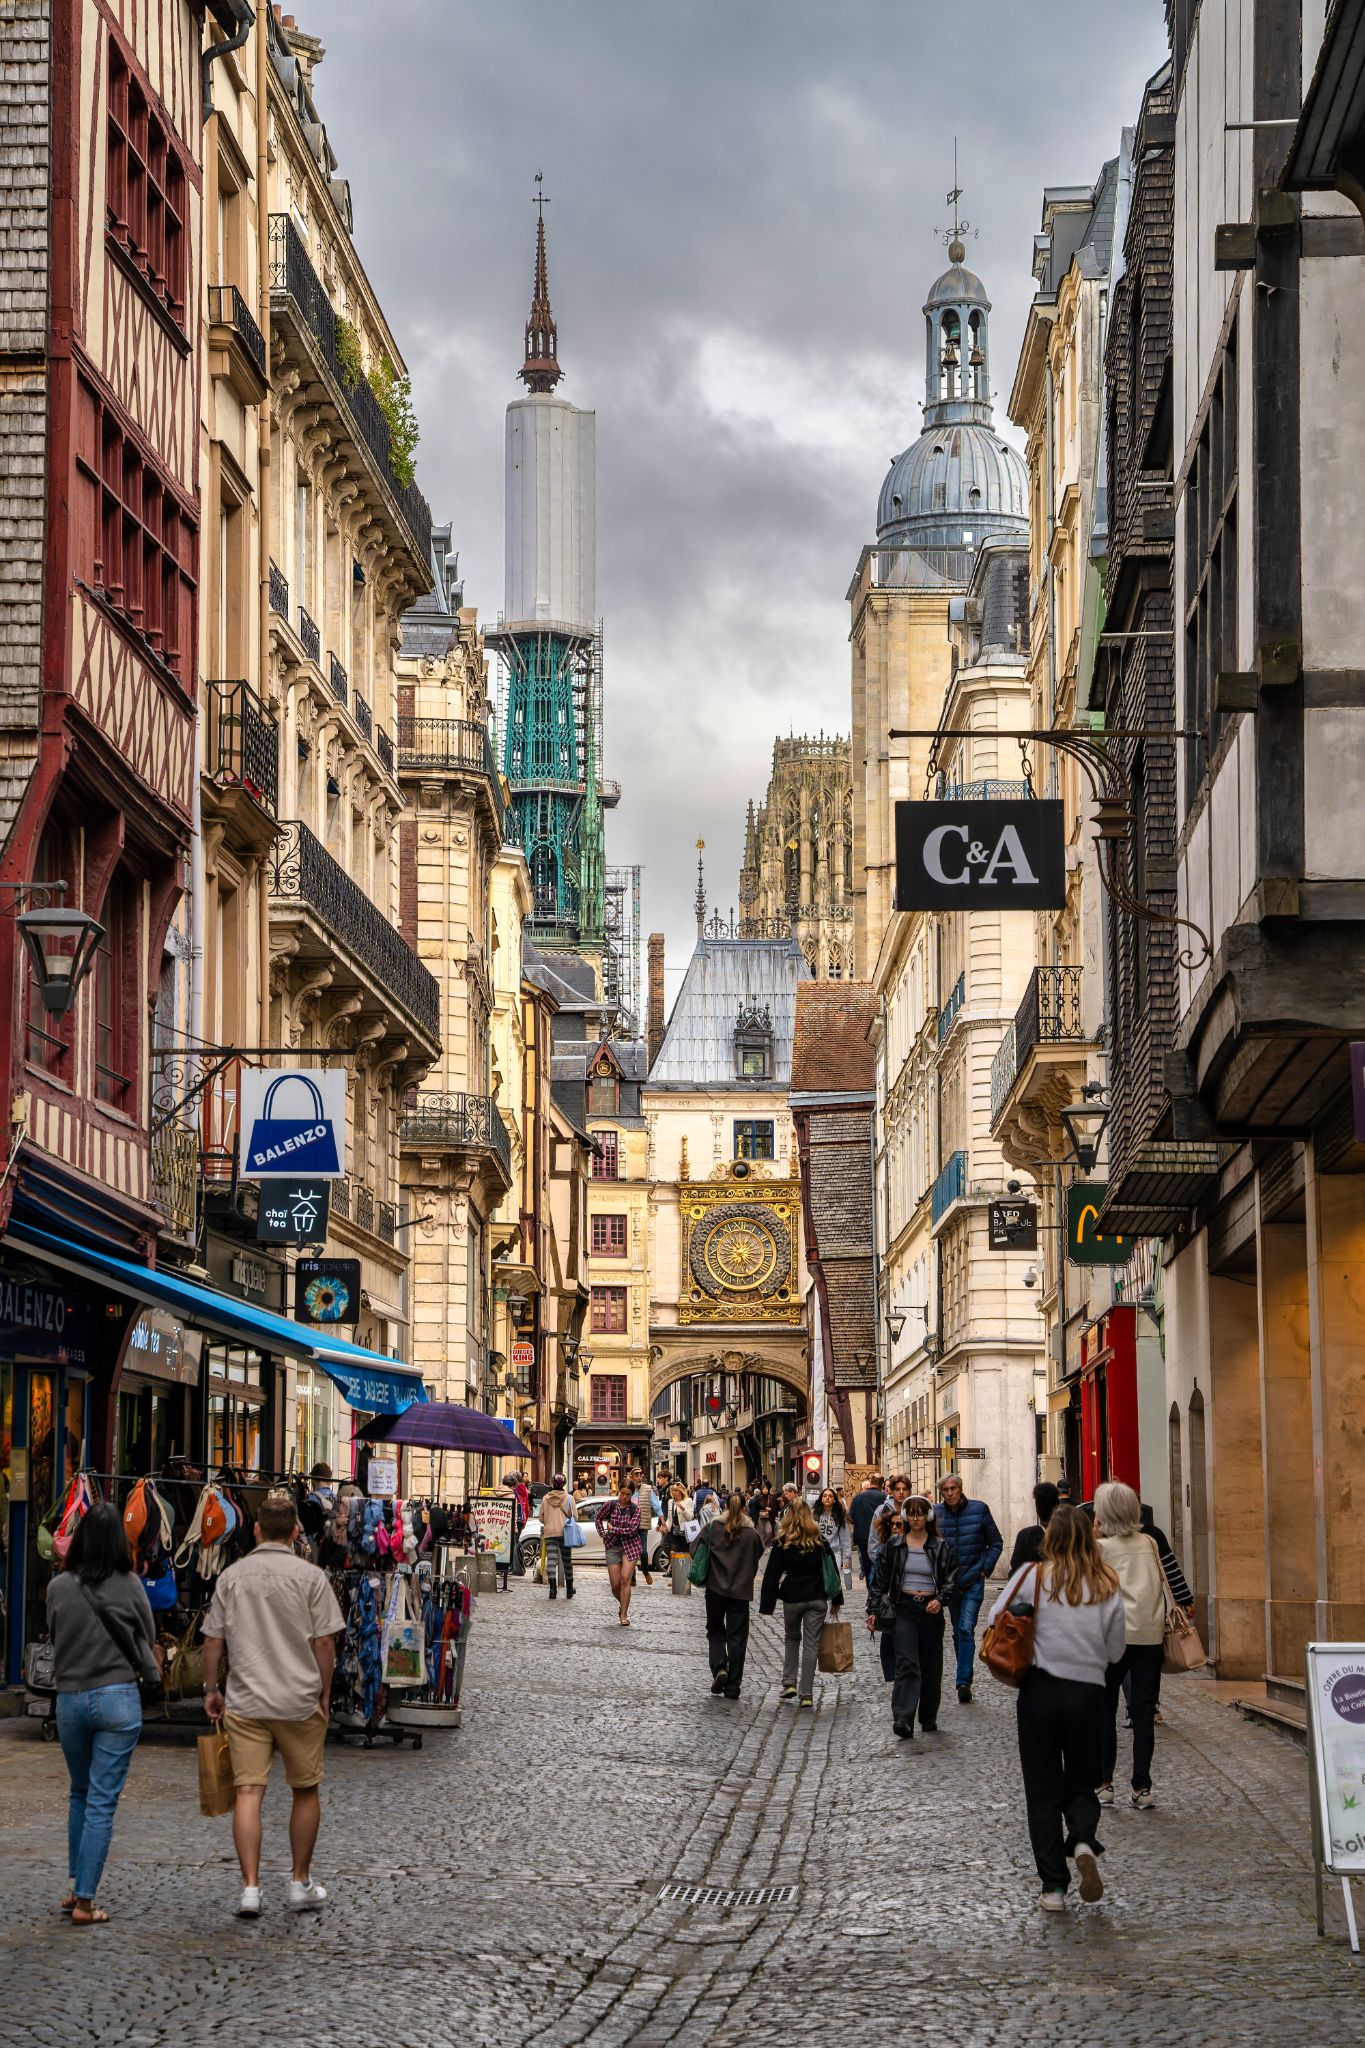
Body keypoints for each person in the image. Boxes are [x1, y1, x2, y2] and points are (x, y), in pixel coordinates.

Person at [203, 1486, 344, 1918]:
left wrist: (211, 1689)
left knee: (248, 1791)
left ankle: (250, 1888)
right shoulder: (312, 1578)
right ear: (296, 1531)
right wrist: (324, 1693)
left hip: (247, 1700)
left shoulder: (232, 1577)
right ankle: (300, 1882)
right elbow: (325, 1643)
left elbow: (213, 1640)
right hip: (299, 1700)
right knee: (305, 1789)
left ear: (256, 1530)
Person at [989, 1505, 1125, 1912]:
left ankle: (1053, 1887)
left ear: (1051, 1537)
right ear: (1089, 1537)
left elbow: (996, 1617)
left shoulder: (1033, 1576)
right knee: (1083, 1780)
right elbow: (1116, 1649)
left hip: (1041, 1691)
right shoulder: (1106, 1582)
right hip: (1088, 1693)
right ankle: (1082, 1838)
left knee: (1042, 1789)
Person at [46, 1503, 162, 1925]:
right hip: (116, 1697)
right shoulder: (130, 1583)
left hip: (71, 1699)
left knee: (79, 1792)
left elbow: (54, 1635)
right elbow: (148, 1634)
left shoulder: (58, 1586)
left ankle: (76, 1884)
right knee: (100, 1801)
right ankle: (84, 1901)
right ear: (118, 1543)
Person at [1093, 1480, 1167, 1811]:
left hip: (1113, 1638)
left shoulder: (1101, 1549)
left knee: (1105, 1711)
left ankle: (1104, 1783)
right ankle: (1141, 1786)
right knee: (1143, 1712)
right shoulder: (1149, 1542)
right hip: (1149, 1636)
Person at [865, 1496, 953, 1739]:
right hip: (903, 1608)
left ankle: (928, 1716)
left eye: (920, 1513)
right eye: (911, 1513)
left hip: (930, 1610)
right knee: (907, 1662)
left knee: (931, 1666)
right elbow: (880, 1581)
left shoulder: (940, 1546)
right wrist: (873, 1610)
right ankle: (903, 1717)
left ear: (928, 1517)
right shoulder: (894, 1546)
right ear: (905, 1516)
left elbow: (950, 1579)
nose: (915, 1518)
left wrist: (941, 1599)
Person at [758, 1498, 842, 1708]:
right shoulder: (819, 1540)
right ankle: (806, 1694)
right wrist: (837, 1599)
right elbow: (832, 1571)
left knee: (792, 1638)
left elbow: (772, 1574)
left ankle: (789, 1683)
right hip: (816, 1598)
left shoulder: (782, 1542)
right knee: (811, 1644)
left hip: (793, 1598)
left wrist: (767, 1603)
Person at [935, 1472, 1003, 1704]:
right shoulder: (936, 1513)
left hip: (973, 1579)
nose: (950, 1493)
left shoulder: (979, 1509)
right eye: (946, 1490)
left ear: (960, 1488)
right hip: (950, 1584)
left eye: (953, 1488)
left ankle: (963, 1681)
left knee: (965, 1628)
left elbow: (996, 1542)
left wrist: (984, 1569)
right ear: (941, 1493)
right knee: (957, 1630)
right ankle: (964, 1674)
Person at [699, 1492, 764, 1698]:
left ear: (725, 1506)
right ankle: (733, 1686)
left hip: (715, 1588)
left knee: (715, 1629)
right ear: (745, 1508)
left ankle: (719, 1667)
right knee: (737, 1637)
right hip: (740, 1591)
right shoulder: (751, 1534)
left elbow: (695, 1550)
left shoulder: (713, 1528)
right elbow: (758, 1554)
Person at [594, 1481, 643, 1626]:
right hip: (612, 1545)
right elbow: (598, 1517)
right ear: (618, 1492)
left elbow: (631, 1531)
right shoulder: (610, 1505)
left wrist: (613, 1529)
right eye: (622, 1493)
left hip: (631, 1545)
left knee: (625, 1578)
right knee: (615, 1585)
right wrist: (602, 1533)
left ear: (632, 1495)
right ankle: (623, 1604)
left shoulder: (635, 1510)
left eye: (628, 1494)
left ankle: (624, 1615)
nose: (624, 1497)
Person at [539, 1474, 576, 1600]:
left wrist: (549, 1521)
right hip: (565, 1533)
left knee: (551, 1561)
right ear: (564, 1484)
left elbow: (541, 1518)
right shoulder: (569, 1498)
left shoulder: (545, 1498)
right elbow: (575, 1517)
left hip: (550, 1533)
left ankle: (552, 1590)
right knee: (567, 1561)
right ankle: (569, 1589)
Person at [1008, 1481, 1061, 1571]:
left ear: (1037, 1509)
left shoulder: (1025, 1536)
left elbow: (1015, 1569)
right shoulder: (1066, 1534)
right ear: (1057, 1507)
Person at [849, 1474, 887, 1581]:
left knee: (867, 1566)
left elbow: (851, 1517)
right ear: (882, 1484)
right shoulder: (885, 1498)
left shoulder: (858, 1498)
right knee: (881, 1566)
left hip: (862, 1537)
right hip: (880, 1537)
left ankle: (870, 1588)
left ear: (871, 1482)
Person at [815, 1488, 853, 1591]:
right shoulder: (815, 1515)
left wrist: (847, 1558)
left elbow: (845, 1539)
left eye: (830, 1496)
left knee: (833, 1581)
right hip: (817, 1552)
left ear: (834, 1500)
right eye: (825, 1496)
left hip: (834, 1553)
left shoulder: (839, 1517)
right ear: (821, 1499)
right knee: (819, 1581)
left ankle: (833, 1600)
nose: (827, 1498)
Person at [660, 1480, 695, 1568]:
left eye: (676, 1490)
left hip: (684, 1533)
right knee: (666, 1546)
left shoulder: (688, 1501)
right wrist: (665, 1526)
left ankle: (682, 1573)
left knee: (684, 1554)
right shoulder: (671, 1502)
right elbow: (669, 1518)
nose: (674, 1492)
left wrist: (683, 1508)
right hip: (673, 1532)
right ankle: (674, 1572)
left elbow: (690, 1518)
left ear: (681, 1491)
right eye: (673, 1490)